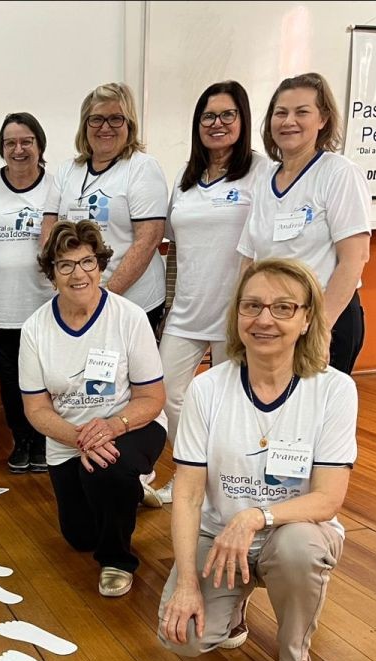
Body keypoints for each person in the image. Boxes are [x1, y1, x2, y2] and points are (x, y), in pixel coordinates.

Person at [157, 258, 357, 661]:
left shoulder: (334, 390)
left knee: (298, 548)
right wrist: (187, 584)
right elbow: (186, 495)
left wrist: (254, 517)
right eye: (252, 306)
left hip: (294, 532)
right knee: (181, 636)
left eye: (284, 307)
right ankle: (237, 598)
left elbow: (328, 498)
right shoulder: (207, 389)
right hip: (219, 537)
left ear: (308, 318)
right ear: (237, 316)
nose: (264, 319)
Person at [19, 220, 167, 598]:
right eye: (65, 265)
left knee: (107, 470)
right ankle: (131, 491)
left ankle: (117, 560)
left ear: (100, 265)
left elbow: (152, 398)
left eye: (87, 262)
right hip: (70, 436)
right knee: (80, 537)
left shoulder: (129, 316)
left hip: (132, 424)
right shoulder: (35, 329)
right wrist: (81, 437)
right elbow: (36, 409)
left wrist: (112, 427)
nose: (78, 273)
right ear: (51, 274)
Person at [157, 81, 267, 504]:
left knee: (231, 407)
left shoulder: (261, 173)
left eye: (226, 115)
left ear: (242, 120)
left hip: (237, 315)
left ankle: (222, 488)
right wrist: (168, 306)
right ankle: (196, 474)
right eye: (208, 116)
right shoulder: (186, 181)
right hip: (186, 310)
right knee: (166, 394)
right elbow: (174, 251)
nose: (217, 124)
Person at [238, 72, 371, 374]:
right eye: (280, 112)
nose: (288, 121)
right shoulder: (264, 178)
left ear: (323, 119)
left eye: (302, 112)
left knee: (314, 415)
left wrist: (320, 330)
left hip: (324, 318)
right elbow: (248, 257)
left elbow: (355, 258)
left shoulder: (338, 173)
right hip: (270, 319)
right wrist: (244, 315)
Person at [41, 82, 169, 332]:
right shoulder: (68, 170)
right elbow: (49, 229)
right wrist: (65, 282)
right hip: (79, 296)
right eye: (96, 119)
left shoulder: (142, 168)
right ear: (85, 125)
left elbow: (148, 240)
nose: (105, 127)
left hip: (131, 301)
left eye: (115, 119)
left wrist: (104, 296)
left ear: (129, 124)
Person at [0, 112, 55, 474]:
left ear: (39, 145)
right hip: (2, 304)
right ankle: (21, 441)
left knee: (48, 377)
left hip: (46, 304)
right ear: (2, 149)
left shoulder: (55, 187)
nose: (18, 149)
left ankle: (45, 440)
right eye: (10, 143)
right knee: (11, 379)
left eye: (26, 141)